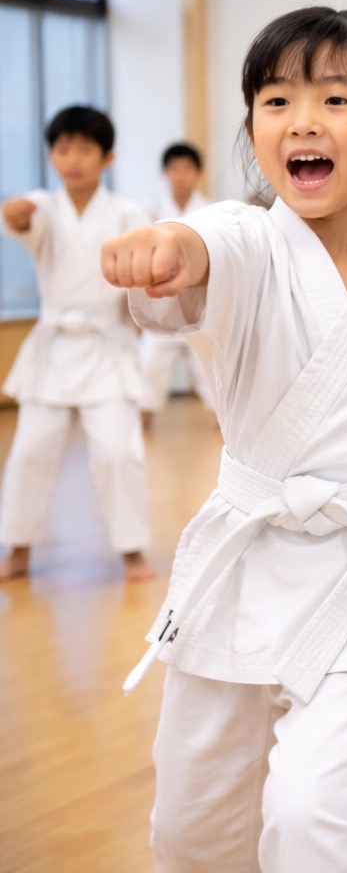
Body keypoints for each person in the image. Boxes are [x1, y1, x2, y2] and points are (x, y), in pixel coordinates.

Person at [102, 6, 347, 871]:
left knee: (322, 823)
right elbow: (208, 244)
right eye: (276, 101)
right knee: (193, 829)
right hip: (243, 565)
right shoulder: (246, 240)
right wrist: (169, 247)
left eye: (334, 99)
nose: (303, 122)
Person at [0, 105, 153, 583]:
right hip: (53, 350)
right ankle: (19, 550)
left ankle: (132, 552)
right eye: (63, 149)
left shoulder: (129, 214)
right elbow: (19, 218)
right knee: (29, 452)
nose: (73, 159)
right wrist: (16, 212)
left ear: (108, 157)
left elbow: (144, 277)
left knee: (116, 452)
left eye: (85, 149)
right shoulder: (43, 207)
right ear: (51, 155)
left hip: (106, 347)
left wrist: (141, 317)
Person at [139, 142, 214, 430]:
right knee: (150, 364)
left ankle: (224, 422)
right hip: (162, 303)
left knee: (210, 368)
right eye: (174, 169)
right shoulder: (149, 211)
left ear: (199, 173)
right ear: (165, 173)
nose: (181, 175)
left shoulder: (211, 210)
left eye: (187, 169)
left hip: (200, 305)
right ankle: (143, 418)